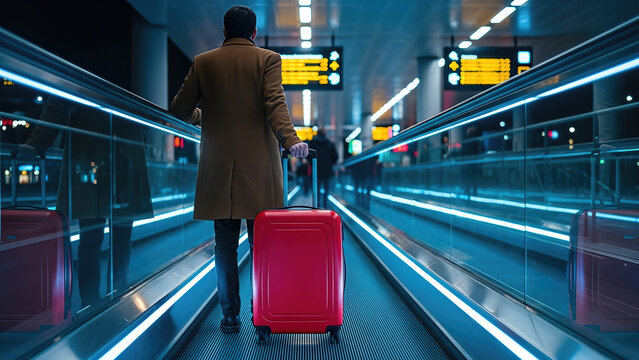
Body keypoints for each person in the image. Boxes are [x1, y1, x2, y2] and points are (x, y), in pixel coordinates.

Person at [170, 5, 308, 333]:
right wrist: (290, 140)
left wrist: (203, 118)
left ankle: (230, 316)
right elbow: (274, 103)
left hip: (219, 169)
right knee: (262, 246)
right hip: (259, 169)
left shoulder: (204, 62)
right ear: (254, 33)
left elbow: (180, 109)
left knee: (224, 244)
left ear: (223, 31)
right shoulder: (267, 59)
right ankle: (262, 315)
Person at [308, 128, 338, 208]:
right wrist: (330, 163)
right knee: (326, 189)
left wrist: (312, 163)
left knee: (316, 189)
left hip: (316, 170)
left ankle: (316, 206)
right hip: (327, 170)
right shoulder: (330, 144)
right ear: (325, 134)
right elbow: (335, 157)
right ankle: (325, 206)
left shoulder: (313, 143)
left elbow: (308, 156)